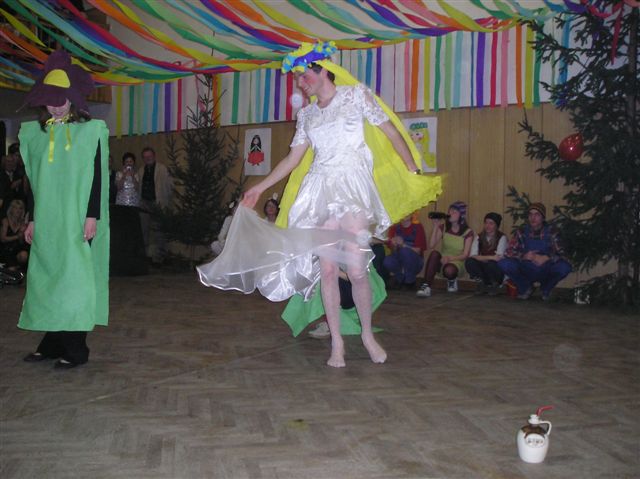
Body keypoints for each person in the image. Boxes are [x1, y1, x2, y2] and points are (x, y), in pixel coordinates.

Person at [203, 41, 442, 368]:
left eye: (304, 76)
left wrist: (412, 170)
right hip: (318, 192)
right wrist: (258, 188)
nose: (300, 83)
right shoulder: (307, 115)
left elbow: (389, 131)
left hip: (353, 188)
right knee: (328, 270)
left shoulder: (356, 96)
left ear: (322, 70)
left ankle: (367, 335)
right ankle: (337, 343)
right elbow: (292, 160)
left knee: (356, 270)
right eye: (298, 79)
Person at [17, 49, 110, 369]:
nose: (56, 106)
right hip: (48, 221)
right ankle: (52, 342)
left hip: (76, 221)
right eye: (51, 100)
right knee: (48, 279)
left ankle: (76, 348)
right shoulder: (36, 136)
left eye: (62, 99)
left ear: (73, 98)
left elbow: (97, 178)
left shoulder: (89, 132)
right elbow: (35, 182)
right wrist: (32, 219)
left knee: (73, 282)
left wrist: (91, 216)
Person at [498, 202, 572, 301]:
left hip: (546, 269)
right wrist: (524, 256)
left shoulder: (552, 232)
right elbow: (508, 252)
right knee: (504, 263)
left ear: (543, 217)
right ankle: (525, 288)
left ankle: (545, 289)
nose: (533, 218)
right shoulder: (521, 231)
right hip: (527, 268)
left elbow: (564, 253)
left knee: (564, 267)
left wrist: (547, 257)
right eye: (530, 214)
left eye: (537, 214)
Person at [417, 201, 474, 297]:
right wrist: (436, 226)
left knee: (449, 270)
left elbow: (465, 255)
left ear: (461, 215)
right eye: (450, 211)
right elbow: (431, 245)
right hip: (443, 259)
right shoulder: (444, 227)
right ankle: (426, 286)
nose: (450, 213)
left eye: (454, 212)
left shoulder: (468, 232)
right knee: (434, 254)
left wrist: (450, 258)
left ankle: (452, 280)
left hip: (457, 262)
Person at [137, 146, 172, 264]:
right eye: (145, 157)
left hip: (158, 203)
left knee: (159, 232)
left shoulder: (162, 169)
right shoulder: (141, 170)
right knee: (143, 231)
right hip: (144, 204)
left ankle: (160, 258)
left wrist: (164, 202)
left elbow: (169, 186)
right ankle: (144, 257)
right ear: (143, 158)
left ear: (154, 156)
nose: (148, 158)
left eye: (150, 156)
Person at [465, 212, 508, 295]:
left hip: (495, 270)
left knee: (492, 264)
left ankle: (494, 284)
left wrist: (482, 258)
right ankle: (481, 283)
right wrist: (491, 257)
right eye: (486, 223)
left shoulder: (502, 237)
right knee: (469, 262)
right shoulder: (479, 237)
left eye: (491, 223)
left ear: (496, 225)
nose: (487, 226)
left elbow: (498, 258)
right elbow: (473, 255)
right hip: (484, 268)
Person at [383, 214, 427, 290]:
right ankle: (400, 278)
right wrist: (394, 244)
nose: (405, 214)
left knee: (405, 251)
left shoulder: (418, 227)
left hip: (415, 262)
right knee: (387, 261)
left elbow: (418, 251)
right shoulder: (394, 227)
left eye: (408, 212)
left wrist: (403, 244)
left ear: (412, 214)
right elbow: (393, 251)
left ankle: (410, 281)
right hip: (399, 259)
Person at [0, 199, 29, 270]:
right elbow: (3, 239)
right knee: (11, 268)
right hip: (4, 249)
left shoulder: (22, 223)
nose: (18, 210)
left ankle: (18, 268)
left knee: (24, 255)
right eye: (16, 208)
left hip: (16, 249)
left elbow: (21, 242)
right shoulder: (5, 221)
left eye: (20, 208)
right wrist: (17, 236)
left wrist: (22, 233)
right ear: (11, 209)